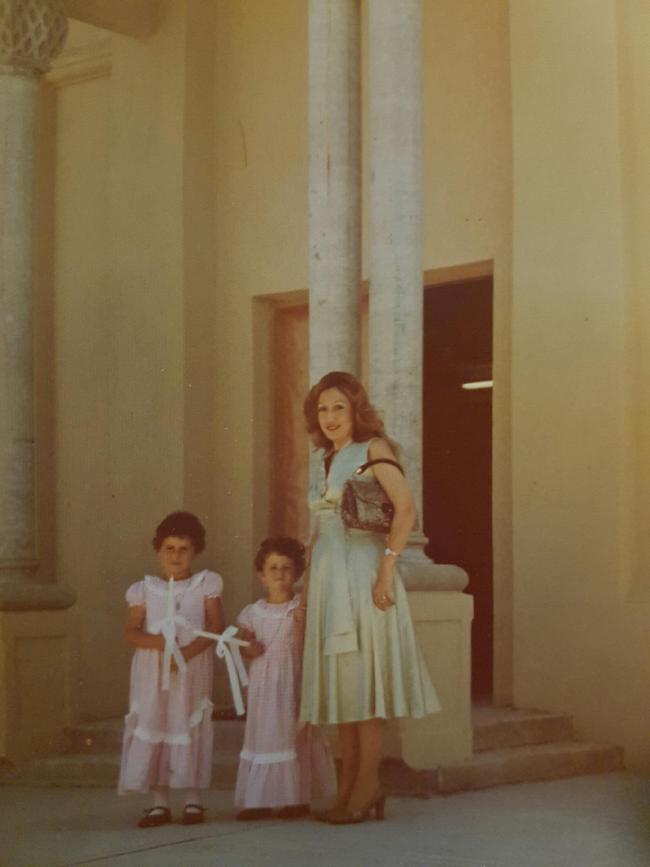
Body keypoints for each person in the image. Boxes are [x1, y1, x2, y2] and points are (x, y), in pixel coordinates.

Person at [299, 371, 440, 824]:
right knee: (342, 688)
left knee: (364, 683)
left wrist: (386, 569)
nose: (330, 416)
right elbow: (320, 528)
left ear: (356, 409)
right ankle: (346, 789)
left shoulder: (373, 449)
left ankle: (368, 786)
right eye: (323, 408)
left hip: (363, 578)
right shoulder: (325, 458)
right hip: (327, 579)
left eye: (339, 407)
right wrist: (306, 587)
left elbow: (406, 509)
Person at [118, 511, 224, 827]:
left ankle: (193, 800)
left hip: (190, 668)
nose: (176, 556)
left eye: (183, 549)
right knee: (157, 722)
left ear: (195, 551)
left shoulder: (205, 584)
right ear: (158, 550)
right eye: (169, 548)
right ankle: (159, 802)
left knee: (187, 722)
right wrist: (161, 646)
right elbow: (131, 632)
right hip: (153, 671)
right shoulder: (144, 589)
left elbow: (215, 626)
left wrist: (183, 654)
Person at [234, 537, 336, 820]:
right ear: (261, 574)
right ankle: (260, 800)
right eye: (273, 567)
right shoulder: (253, 612)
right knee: (266, 735)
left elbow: (311, 646)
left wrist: (307, 626)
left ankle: (297, 798)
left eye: (287, 568)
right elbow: (244, 644)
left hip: (293, 681)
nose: (280, 574)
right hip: (264, 686)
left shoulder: (299, 609)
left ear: (298, 573)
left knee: (295, 735)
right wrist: (249, 648)